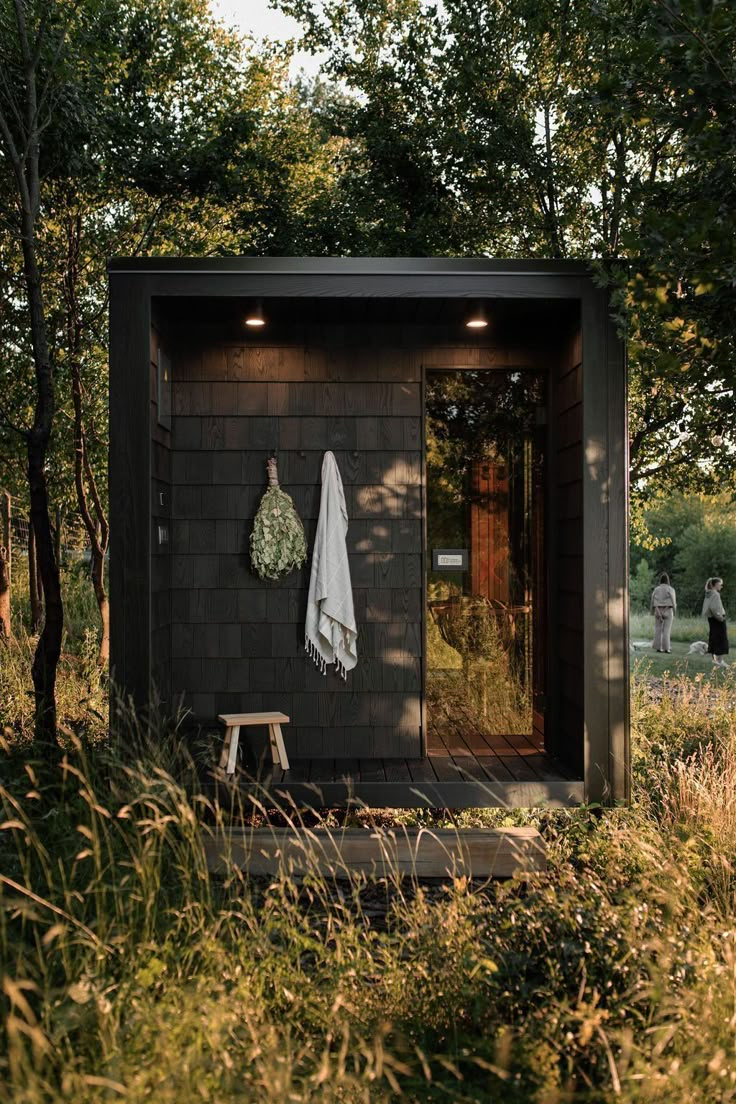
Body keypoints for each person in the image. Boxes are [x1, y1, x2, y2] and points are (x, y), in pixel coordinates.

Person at [702, 577, 729, 667]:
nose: (721, 586)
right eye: (720, 584)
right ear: (716, 585)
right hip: (717, 619)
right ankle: (720, 660)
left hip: (711, 619)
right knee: (721, 638)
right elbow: (714, 607)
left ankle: (715, 659)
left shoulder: (708, 593)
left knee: (713, 637)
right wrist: (720, 617)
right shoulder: (715, 594)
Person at [650, 572, 677, 653]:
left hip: (658, 610)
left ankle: (658, 647)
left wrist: (652, 611)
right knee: (666, 630)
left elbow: (652, 601)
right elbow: (673, 601)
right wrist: (675, 611)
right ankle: (666, 648)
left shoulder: (656, 589)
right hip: (668, 610)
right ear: (668, 580)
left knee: (658, 629)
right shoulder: (670, 589)